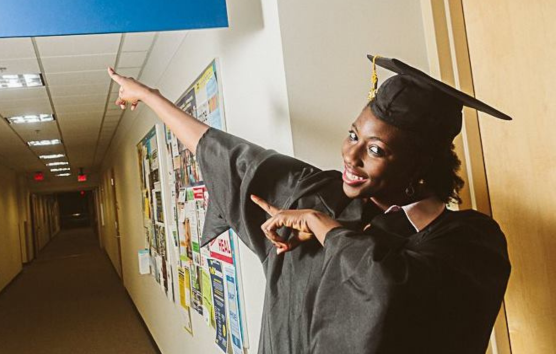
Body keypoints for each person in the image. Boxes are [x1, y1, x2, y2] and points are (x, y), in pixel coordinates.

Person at [107, 55, 511, 354]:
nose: (351, 157)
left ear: (420, 164)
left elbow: (387, 292)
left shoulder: (468, 245)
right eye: (352, 135)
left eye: (375, 149)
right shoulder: (320, 195)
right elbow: (232, 157)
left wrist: (323, 229)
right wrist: (149, 96)